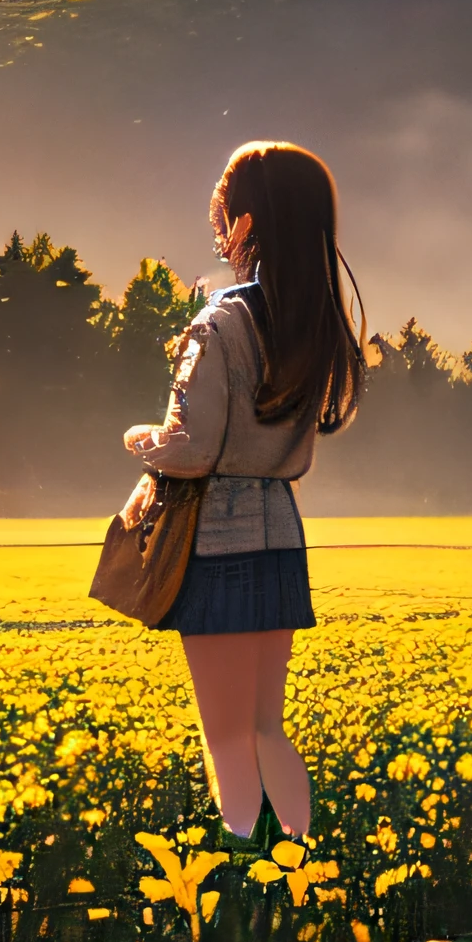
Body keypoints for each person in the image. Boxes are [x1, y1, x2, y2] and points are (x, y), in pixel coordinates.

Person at [122, 138, 365, 842]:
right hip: (280, 535)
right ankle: (298, 861)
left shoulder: (220, 323)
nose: (220, 232)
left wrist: (141, 440)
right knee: (267, 726)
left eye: (223, 217)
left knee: (225, 734)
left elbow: (193, 451)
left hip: (218, 542)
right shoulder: (312, 322)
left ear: (249, 224)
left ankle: (242, 875)